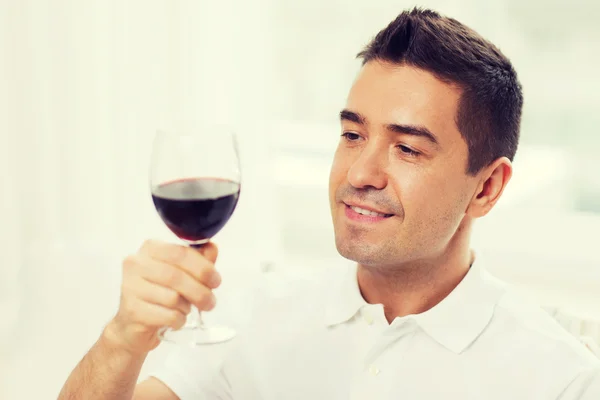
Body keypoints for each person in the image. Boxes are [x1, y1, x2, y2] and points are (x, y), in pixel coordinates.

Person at [58, 7, 600, 399]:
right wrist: (122, 340)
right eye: (353, 135)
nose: (360, 173)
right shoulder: (256, 318)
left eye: (407, 148)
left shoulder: (560, 379)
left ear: (486, 188)